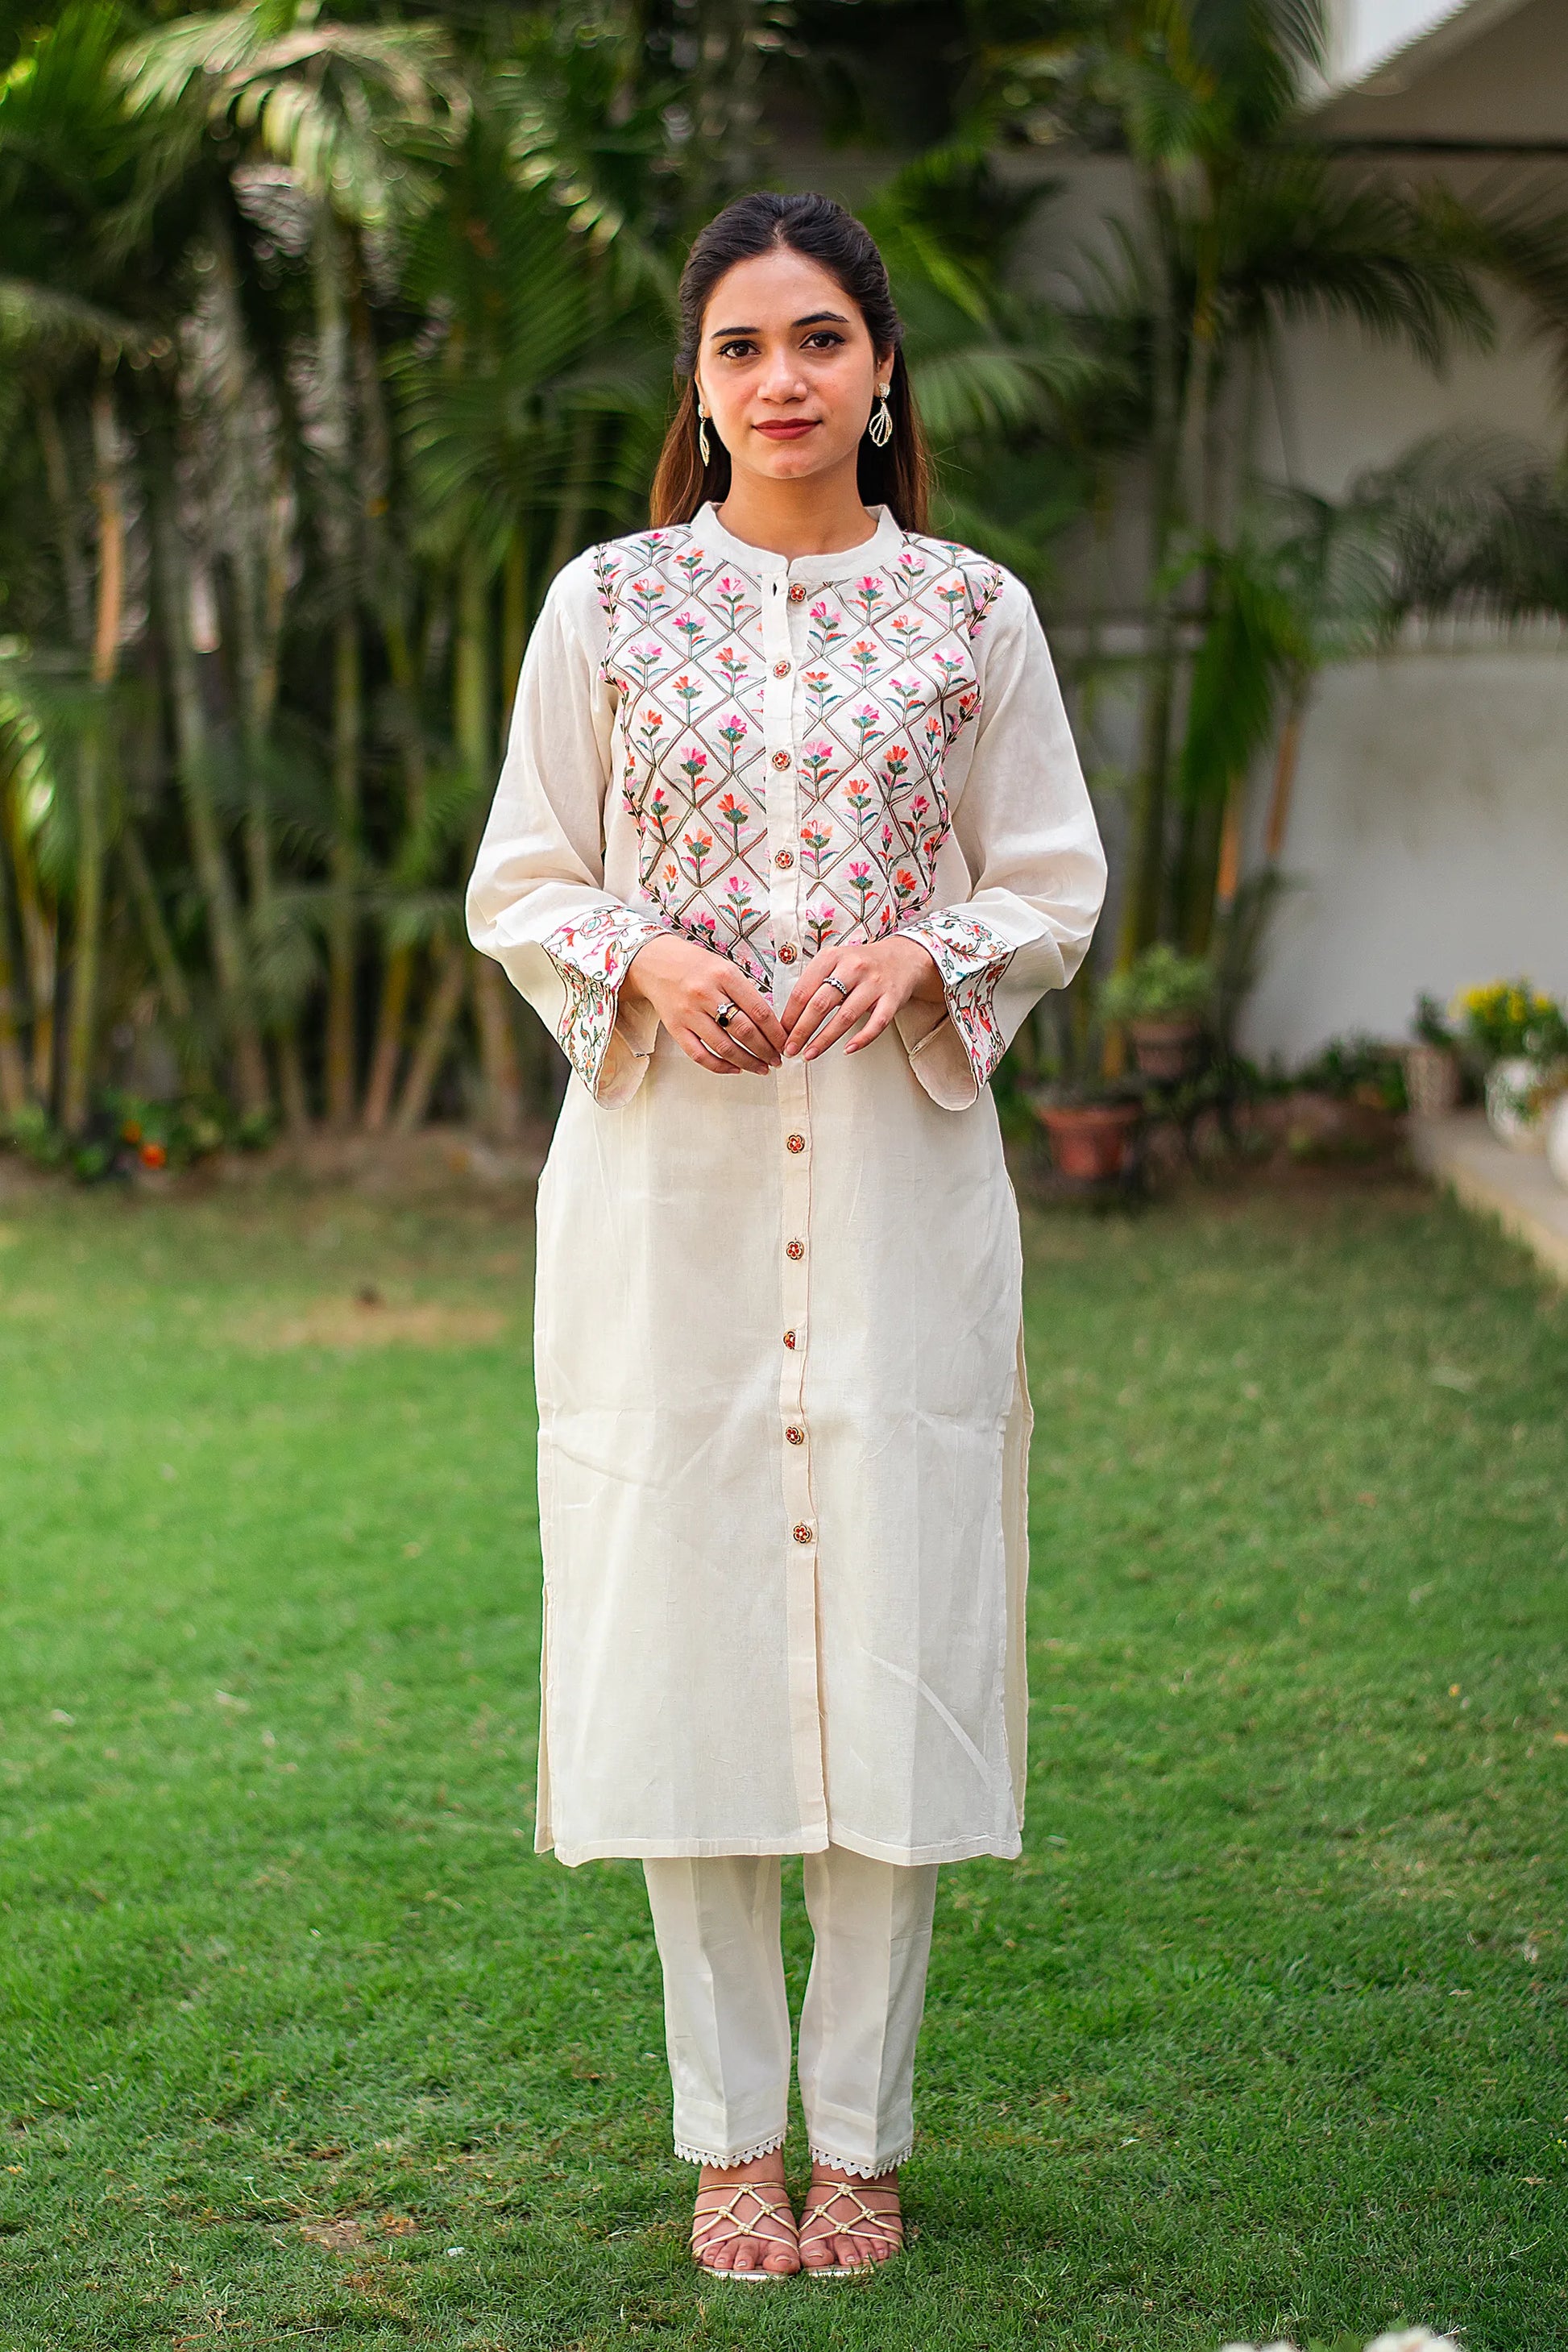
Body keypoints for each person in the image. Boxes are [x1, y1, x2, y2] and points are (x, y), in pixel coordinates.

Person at [466, 189, 1108, 2282]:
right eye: (741, 347)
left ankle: (864, 2140)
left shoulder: (971, 614)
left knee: (891, 1640)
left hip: (903, 1188)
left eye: (819, 339)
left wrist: (929, 953)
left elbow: (1051, 879)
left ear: (883, 368)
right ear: (699, 383)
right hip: (669, 1192)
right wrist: (636, 955)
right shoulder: (608, 605)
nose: (781, 380)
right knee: (693, 1658)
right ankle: (730, 2140)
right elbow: (521, 875)